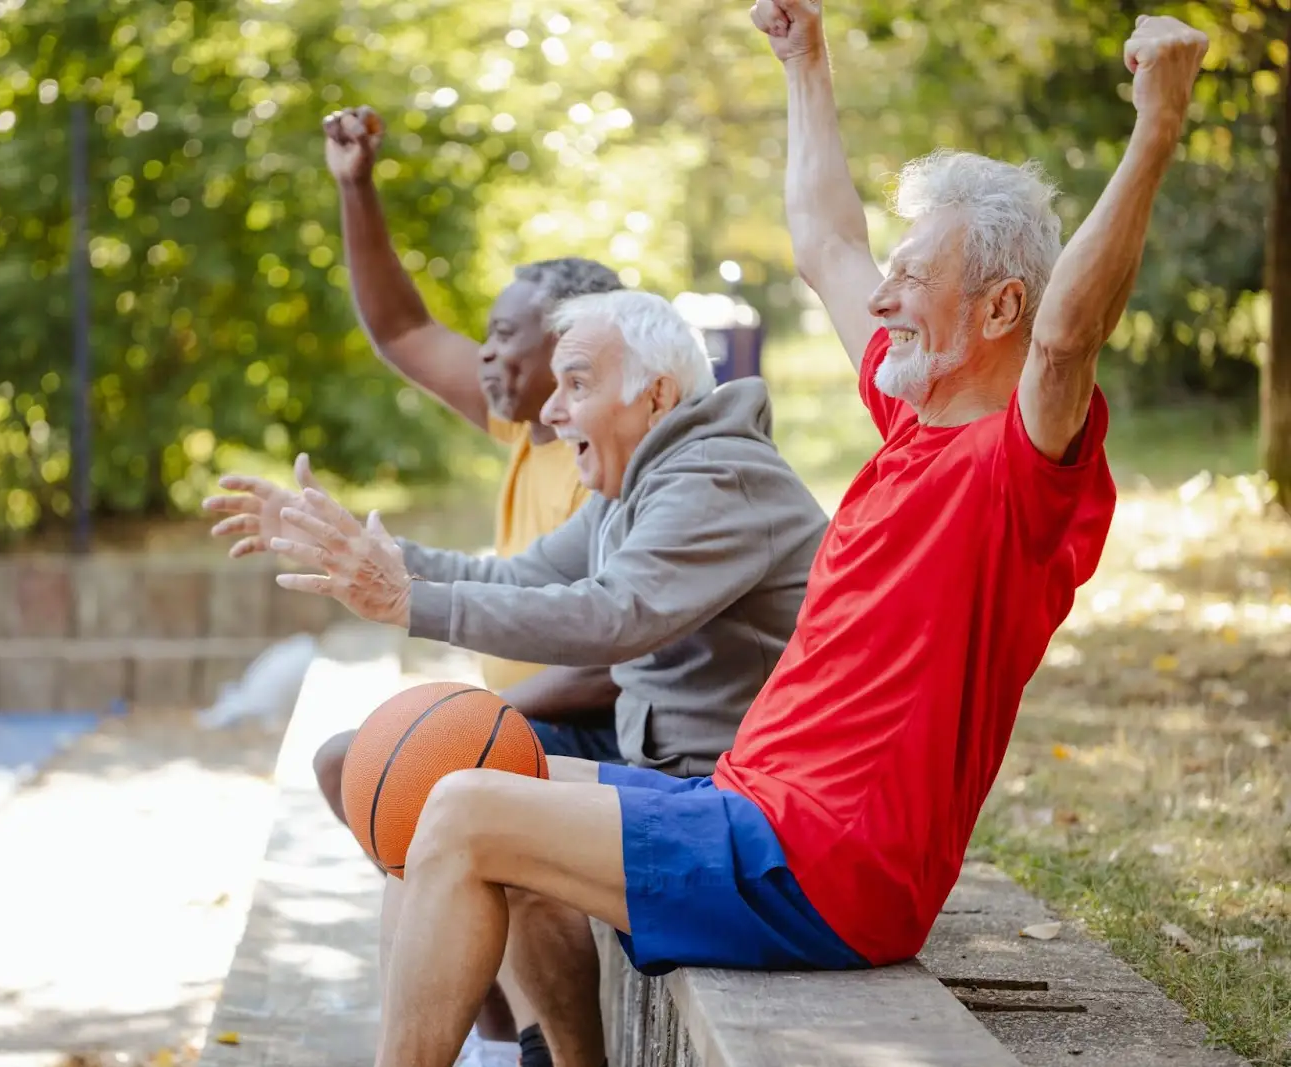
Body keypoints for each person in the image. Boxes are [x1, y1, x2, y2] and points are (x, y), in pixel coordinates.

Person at [239, 2, 1210, 1063]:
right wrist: (806, 61)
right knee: (435, 775)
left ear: (996, 309)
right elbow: (826, 240)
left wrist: (1155, 127)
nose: (878, 294)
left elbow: (1067, 335)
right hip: (748, 810)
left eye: (912, 279)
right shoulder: (907, 423)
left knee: (466, 809)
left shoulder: (1018, 471)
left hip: (822, 863)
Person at [212, 287, 827, 1066]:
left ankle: (538, 1054)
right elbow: (513, 577)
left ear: (658, 394)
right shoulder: (638, 483)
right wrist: (348, 552)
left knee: (472, 799)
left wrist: (409, 600)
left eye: (577, 384)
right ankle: (503, 1048)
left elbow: (613, 615)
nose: (555, 411)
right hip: (673, 771)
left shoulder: (714, 474)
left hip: (732, 801)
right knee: (396, 778)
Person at [315, 103, 631, 803]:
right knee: (358, 768)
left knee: (363, 766)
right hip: (533, 718)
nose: (485, 350)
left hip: (594, 728)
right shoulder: (525, 423)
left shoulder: (610, 461)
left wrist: (478, 720)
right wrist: (355, 187)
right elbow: (402, 329)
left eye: (505, 333)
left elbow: (619, 659)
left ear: (572, 344)